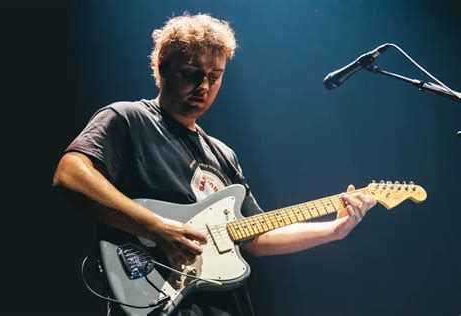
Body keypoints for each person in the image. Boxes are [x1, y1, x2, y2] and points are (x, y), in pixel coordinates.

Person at [52, 13, 376, 316]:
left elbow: (257, 237)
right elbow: (70, 175)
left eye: (214, 76)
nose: (204, 87)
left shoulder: (222, 154)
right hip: (153, 297)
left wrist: (334, 229)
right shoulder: (128, 119)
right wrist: (156, 228)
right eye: (192, 74)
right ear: (162, 67)